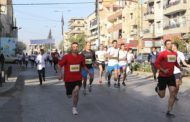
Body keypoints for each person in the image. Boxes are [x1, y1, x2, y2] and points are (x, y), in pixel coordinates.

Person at [58, 42, 93, 115]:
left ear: (78, 48)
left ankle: (74, 108)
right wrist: (60, 73)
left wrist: (89, 72)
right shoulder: (66, 57)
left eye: (76, 47)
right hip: (68, 79)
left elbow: (84, 66)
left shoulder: (81, 57)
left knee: (76, 92)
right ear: (71, 48)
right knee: (69, 94)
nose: (75, 48)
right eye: (73, 47)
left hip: (78, 79)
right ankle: (68, 93)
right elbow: (59, 65)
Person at [155, 40, 181, 118]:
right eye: (168, 44)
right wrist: (163, 70)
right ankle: (158, 88)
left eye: (171, 44)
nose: (170, 45)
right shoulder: (162, 54)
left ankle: (169, 111)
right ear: (165, 45)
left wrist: (180, 68)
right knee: (162, 95)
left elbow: (175, 62)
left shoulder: (174, 53)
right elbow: (156, 64)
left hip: (171, 76)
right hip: (162, 76)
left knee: (173, 92)